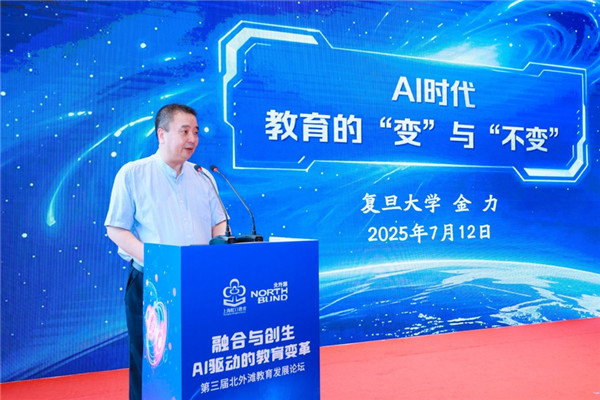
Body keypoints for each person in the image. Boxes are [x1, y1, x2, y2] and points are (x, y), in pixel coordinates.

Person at [104, 103, 227, 400]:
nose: (192, 139)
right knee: (150, 363)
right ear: (161, 134)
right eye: (184, 131)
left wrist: (216, 251)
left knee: (198, 356)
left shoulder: (204, 176)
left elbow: (219, 221)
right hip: (152, 284)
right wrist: (160, 262)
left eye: (196, 132)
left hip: (199, 282)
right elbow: (116, 229)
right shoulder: (133, 174)